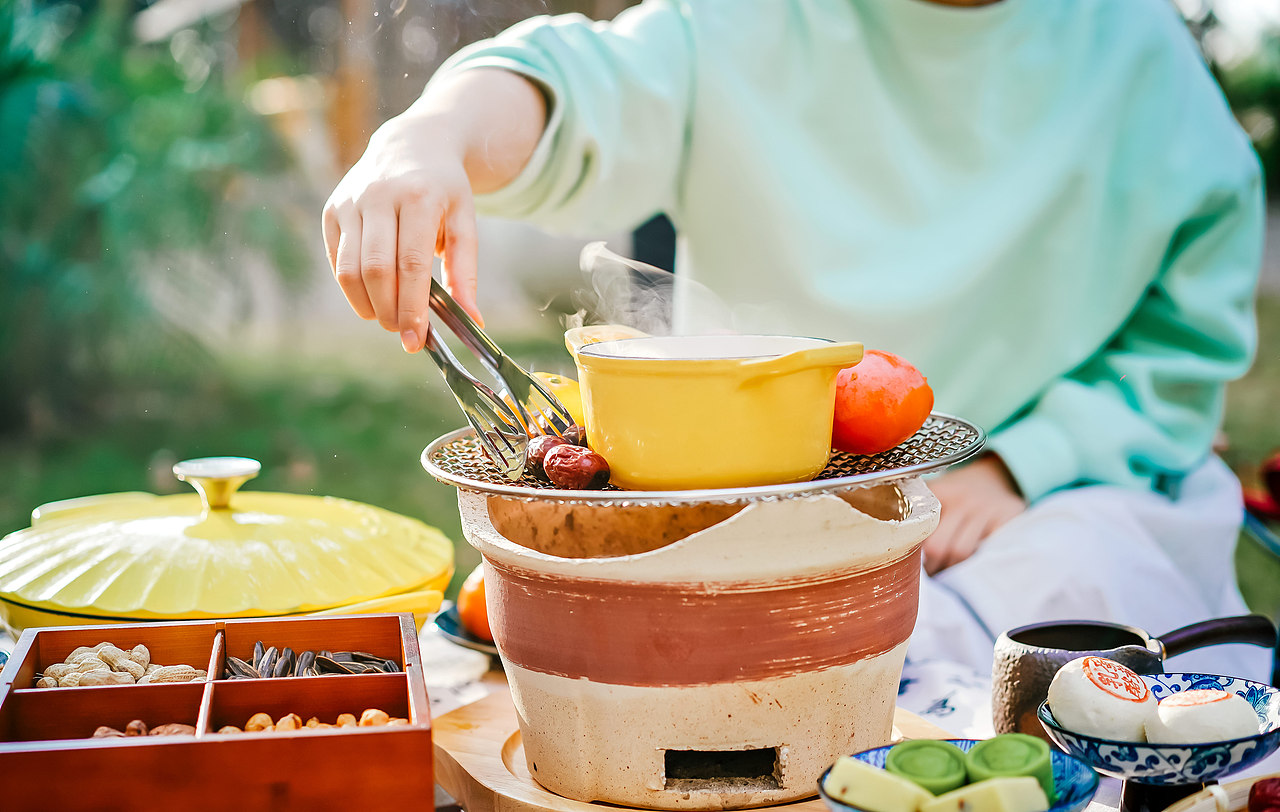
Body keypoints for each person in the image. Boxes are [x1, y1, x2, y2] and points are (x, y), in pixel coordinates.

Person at [322, 0, 1272, 686]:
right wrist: (432, 134)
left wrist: (1026, 465)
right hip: (746, 497)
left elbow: (1182, 335)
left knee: (1065, 633)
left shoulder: (1140, 49)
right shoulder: (752, 20)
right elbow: (582, 86)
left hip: (1038, 497)